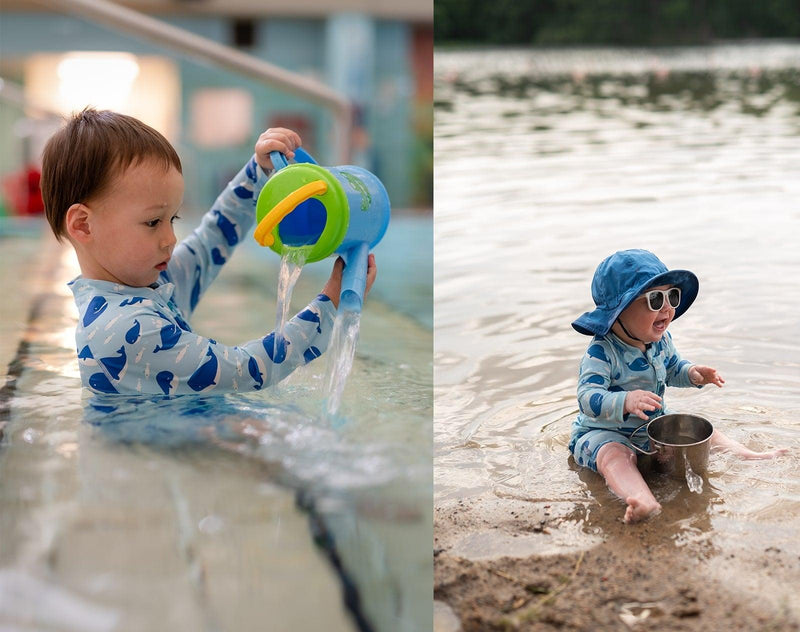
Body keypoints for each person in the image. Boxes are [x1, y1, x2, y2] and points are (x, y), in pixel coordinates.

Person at [40, 108, 376, 396]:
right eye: (153, 221)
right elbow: (244, 369)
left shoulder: (148, 284)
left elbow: (212, 239)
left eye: (173, 218)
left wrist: (259, 172)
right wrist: (328, 304)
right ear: (83, 225)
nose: (170, 238)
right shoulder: (123, 330)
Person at [570, 249, 785, 523]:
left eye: (671, 296)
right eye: (655, 299)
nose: (667, 308)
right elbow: (587, 397)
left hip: (651, 428)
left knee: (702, 429)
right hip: (601, 433)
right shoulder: (602, 352)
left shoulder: (661, 340)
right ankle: (641, 499)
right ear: (619, 311)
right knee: (614, 457)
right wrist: (625, 401)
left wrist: (693, 374)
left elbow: (672, 368)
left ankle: (749, 456)